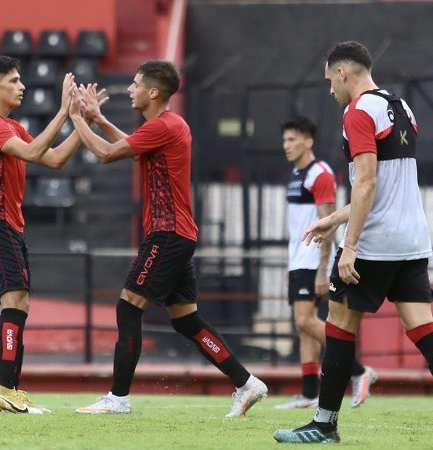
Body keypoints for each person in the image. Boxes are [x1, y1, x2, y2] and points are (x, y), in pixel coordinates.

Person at [69, 60, 267, 418]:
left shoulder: (164, 125)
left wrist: (76, 118)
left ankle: (118, 398)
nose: (130, 90)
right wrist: (97, 119)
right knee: (186, 320)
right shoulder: (166, 126)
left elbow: (107, 153)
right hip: (178, 234)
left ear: (153, 91)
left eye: (135, 84)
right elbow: (131, 146)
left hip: (167, 233)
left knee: (129, 307)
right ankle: (246, 383)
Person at [274, 41, 433, 444]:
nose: (330, 90)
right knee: (423, 328)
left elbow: (367, 182)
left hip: (375, 244)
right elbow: (386, 187)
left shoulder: (358, 111)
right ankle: (324, 422)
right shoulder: (402, 107)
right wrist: (334, 218)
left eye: (330, 81)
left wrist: (351, 246)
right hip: (413, 240)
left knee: (339, 327)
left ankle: (324, 424)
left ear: (344, 73)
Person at [0, 55, 83, 413]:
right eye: (14, 81)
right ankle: (5, 388)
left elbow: (55, 159)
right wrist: (62, 112)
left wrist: (82, 122)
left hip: (10, 225)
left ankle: (9, 389)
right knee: (14, 299)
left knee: (18, 302)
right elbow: (33, 153)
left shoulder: (12, 126)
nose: (22, 86)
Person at [276, 116, 376, 410]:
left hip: (312, 261)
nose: (286, 145)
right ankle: (309, 392)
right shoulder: (297, 173)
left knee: (304, 321)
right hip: (299, 261)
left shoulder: (320, 174)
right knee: (303, 327)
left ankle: (359, 370)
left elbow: (327, 224)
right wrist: (291, 265)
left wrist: (322, 270)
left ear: (309, 142)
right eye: (284, 140)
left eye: (292, 140)